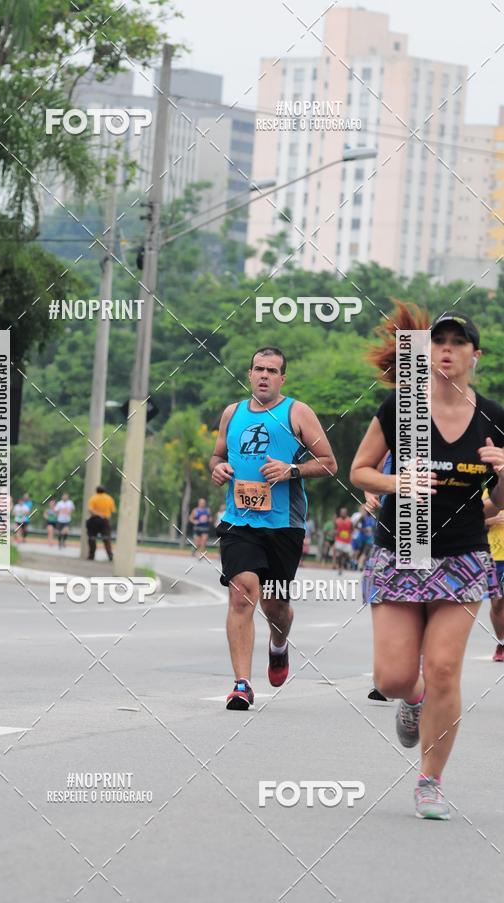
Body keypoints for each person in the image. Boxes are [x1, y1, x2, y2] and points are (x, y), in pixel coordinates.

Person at [351, 305, 504, 820]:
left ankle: (430, 780)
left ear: (474, 355)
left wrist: (503, 475)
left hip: (462, 555)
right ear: (426, 350)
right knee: (394, 677)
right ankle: (411, 700)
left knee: (443, 669)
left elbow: (499, 504)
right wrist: (398, 483)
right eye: (440, 341)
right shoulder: (401, 408)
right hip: (402, 547)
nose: (447, 350)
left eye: (459, 343)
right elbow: (360, 471)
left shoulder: (494, 418)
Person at [210, 346, 337, 710]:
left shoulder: (296, 412)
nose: (264, 375)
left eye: (272, 370)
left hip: (284, 525)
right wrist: (216, 468)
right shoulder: (232, 414)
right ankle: (241, 684)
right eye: (258, 369)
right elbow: (218, 455)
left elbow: (329, 463)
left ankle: (278, 645)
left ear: (282, 378)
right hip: (239, 521)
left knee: (275, 604)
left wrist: (291, 469)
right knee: (241, 593)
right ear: (249, 374)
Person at [482, 489, 504, 661]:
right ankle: (501, 642)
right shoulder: (490, 492)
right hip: (496, 557)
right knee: (497, 605)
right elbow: (472, 521)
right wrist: (492, 519)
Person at [85, 485, 116, 561]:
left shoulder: (93, 498)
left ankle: (91, 555)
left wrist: (98, 514)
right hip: (105, 521)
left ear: (96, 491)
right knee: (106, 538)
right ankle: (110, 555)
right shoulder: (109, 499)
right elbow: (113, 510)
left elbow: (90, 510)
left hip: (94, 520)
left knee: (92, 537)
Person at [333, 506, 352, 573]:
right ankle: (339, 567)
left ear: (346, 513)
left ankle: (342, 565)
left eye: (344, 512)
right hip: (339, 540)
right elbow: (335, 529)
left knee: (346, 555)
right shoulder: (337, 520)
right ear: (340, 513)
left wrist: (351, 536)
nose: (343, 513)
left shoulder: (349, 521)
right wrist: (335, 532)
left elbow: (352, 529)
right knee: (338, 554)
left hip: (347, 541)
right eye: (342, 512)